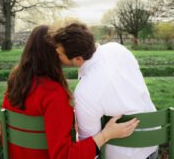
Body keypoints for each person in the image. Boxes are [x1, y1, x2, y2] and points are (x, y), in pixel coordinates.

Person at [1, 25, 139, 159]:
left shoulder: (15, 82)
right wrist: (106, 135)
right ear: (54, 54)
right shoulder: (53, 94)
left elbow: (4, 136)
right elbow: (64, 156)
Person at [52, 22, 158, 159]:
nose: (57, 57)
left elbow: (89, 145)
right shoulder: (118, 49)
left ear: (78, 59)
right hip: (152, 143)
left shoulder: (85, 92)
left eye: (60, 54)